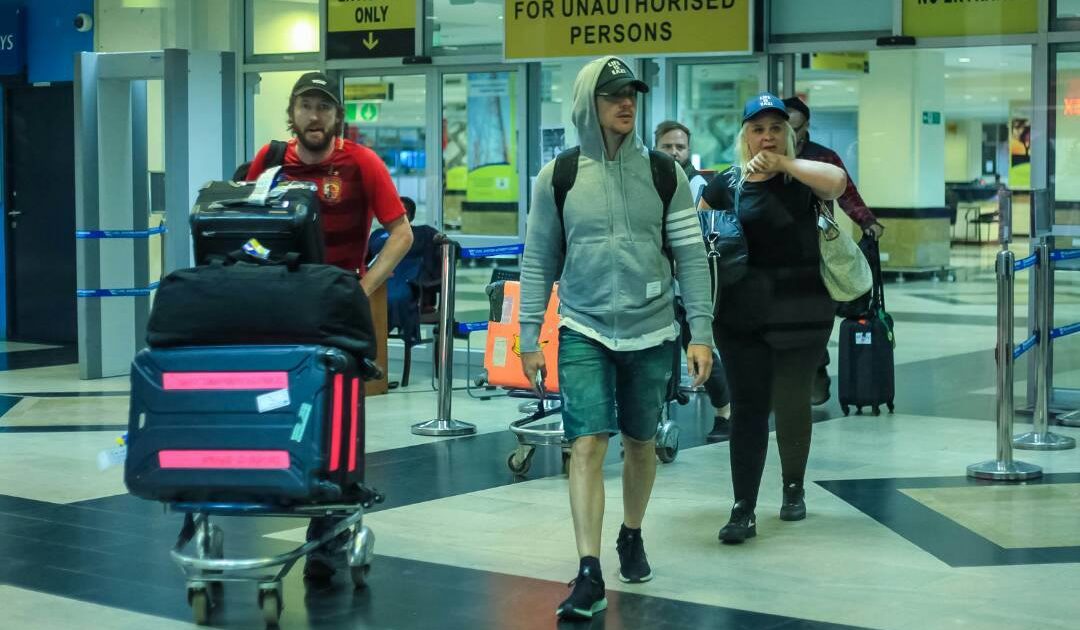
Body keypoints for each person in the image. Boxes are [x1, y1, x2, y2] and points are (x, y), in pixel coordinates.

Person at [519, 57, 714, 621]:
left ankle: (631, 532)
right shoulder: (558, 176)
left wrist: (701, 331)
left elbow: (691, 257)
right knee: (586, 443)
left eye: (631, 93)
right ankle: (589, 570)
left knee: (641, 442)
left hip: (652, 328)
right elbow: (538, 259)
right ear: (589, 103)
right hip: (582, 327)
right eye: (612, 95)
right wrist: (529, 336)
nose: (626, 103)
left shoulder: (665, 173)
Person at [246, 71, 414, 580]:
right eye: (306, 105)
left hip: (338, 312)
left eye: (323, 107)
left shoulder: (361, 162)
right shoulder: (270, 160)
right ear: (292, 113)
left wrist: (364, 287)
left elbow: (401, 233)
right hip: (280, 309)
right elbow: (245, 226)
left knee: (337, 416)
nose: (314, 116)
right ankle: (286, 491)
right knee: (282, 406)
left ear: (337, 116)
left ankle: (328, 528)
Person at [699, 93, 846, 542]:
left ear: (788, 134)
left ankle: (793, 486)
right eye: (758, 129)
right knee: (747, 407)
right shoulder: (726, 183)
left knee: (792, 400)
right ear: (745, 135)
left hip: (802, 313)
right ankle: (743, 507)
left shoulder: (805, 177)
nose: (767, 136)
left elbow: (837, 183)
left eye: (776, 128)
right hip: (740, 315)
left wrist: (784, 164)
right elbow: (699, 240)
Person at [782, 97, 884, 406]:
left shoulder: (823, 157)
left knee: (815, 315)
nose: (790, 134)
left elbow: (847, 193)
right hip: (778, 251)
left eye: (796, 128)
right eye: (785, 127)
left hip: (818, 249)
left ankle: (816, 368)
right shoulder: (769, 157)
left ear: (807, 126)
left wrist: (867, 221)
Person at [654, 120, 732, 442]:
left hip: (687, 282)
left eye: (680, 147)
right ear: (655, 147)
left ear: (689, 150)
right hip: (656, 282)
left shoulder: (699, 185)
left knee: (698, 347)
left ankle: (725, 411)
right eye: (667, 146)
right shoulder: (646, 179)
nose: (674, 152)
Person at [368, 197, 443, 346]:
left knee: (394, 297)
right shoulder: (378, 234)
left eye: (400, 212)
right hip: (378, 277)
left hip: (407, 280)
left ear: (409, 216)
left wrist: (441, 239)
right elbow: (366, 260)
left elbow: (445, 245)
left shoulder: (424, 233)